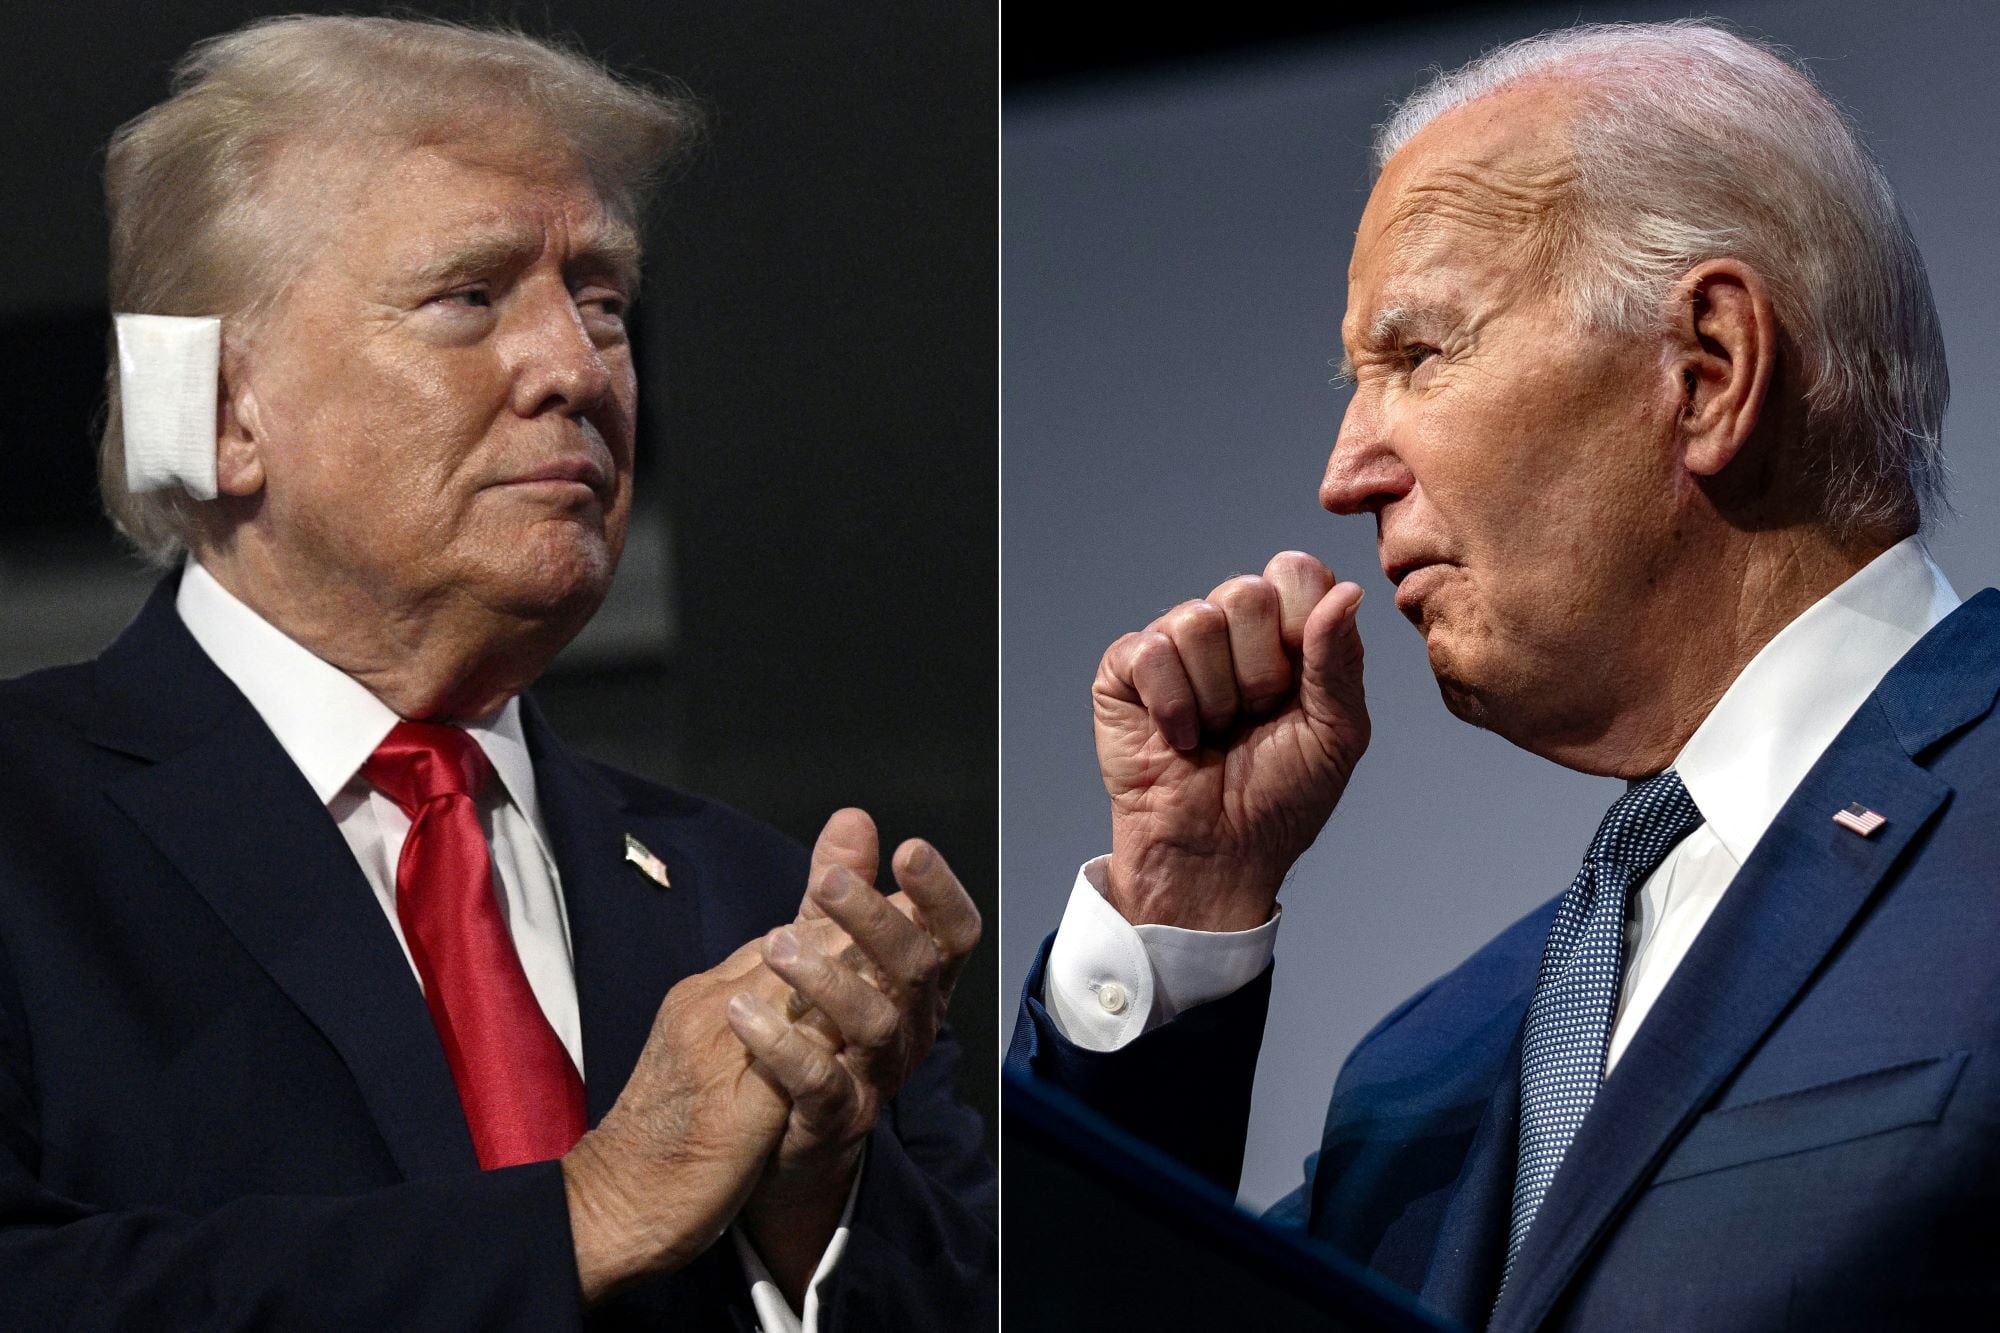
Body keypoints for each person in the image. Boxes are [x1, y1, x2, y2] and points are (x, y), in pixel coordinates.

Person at [0, 16, 992, 1331]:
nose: (581, 369)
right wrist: (582, 1212)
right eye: (471, 297)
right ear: (228, 410)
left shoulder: (778, 909)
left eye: (603, 301)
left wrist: (806, 1221)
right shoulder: (27, 832)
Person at [1009, 20, 1998, 1330]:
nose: (1345, 470)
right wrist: (1180, 900)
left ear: (1706, 369)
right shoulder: (1422, 1080)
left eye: (1417, 355)